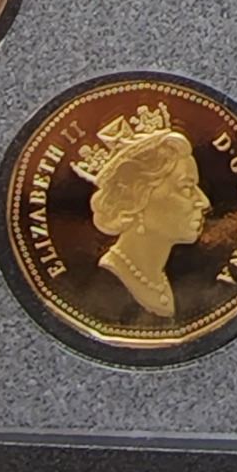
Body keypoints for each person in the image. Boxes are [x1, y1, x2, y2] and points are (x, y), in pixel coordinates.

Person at [72, 107, 210, 318]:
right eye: (186, 188)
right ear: (137, 199)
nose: (204, 202)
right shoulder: (103, 288)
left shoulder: (170, 278)